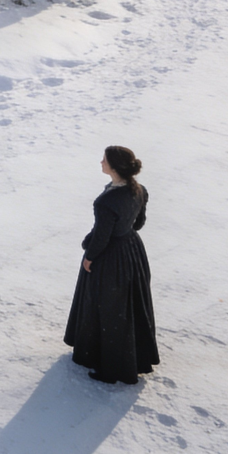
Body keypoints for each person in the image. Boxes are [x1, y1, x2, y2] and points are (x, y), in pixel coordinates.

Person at [64, 145, 159, 384]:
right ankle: (133, 354)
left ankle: (112, 366)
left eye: (104, 160)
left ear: (114, 167)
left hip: (111, 258)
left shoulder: (106, 202)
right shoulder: (139, 190)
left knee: (109, 309)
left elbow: (102, 238)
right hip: (132, 251)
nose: (101, 163)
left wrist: (89, 256)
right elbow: (138, 224)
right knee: (128, 305)